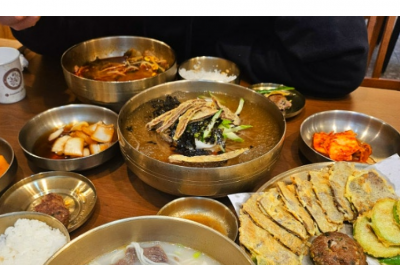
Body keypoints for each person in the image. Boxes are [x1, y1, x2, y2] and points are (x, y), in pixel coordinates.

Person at [1, 16, 369, 98]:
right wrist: (31, 22)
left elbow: (338, 66)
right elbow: (59, 41)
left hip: (232, 93)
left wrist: (206, 58)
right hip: (94, 100)